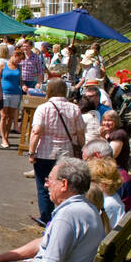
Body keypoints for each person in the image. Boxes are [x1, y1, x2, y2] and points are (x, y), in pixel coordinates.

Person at [26, 79, 84, 226]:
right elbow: (80, 133)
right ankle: (62, 217)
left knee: (44, 185)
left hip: (46, 152)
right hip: (66, 152)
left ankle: (45, 217)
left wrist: (31, 152)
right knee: (65, 186)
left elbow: (36, 131)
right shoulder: (74, 109)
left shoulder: (43, 108)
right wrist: (80, 147)